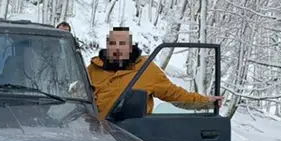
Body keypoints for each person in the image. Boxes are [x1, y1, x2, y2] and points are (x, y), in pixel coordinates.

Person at [87, 26, 223, 119]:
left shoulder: (147, 70)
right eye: (113, 43)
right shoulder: (93, 68)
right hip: (92, 132)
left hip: (127, 135)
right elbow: (76, 94)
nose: (117, 48)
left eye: (122, 43)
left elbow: (175, 94)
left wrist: (206, 101)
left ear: (130, 46)